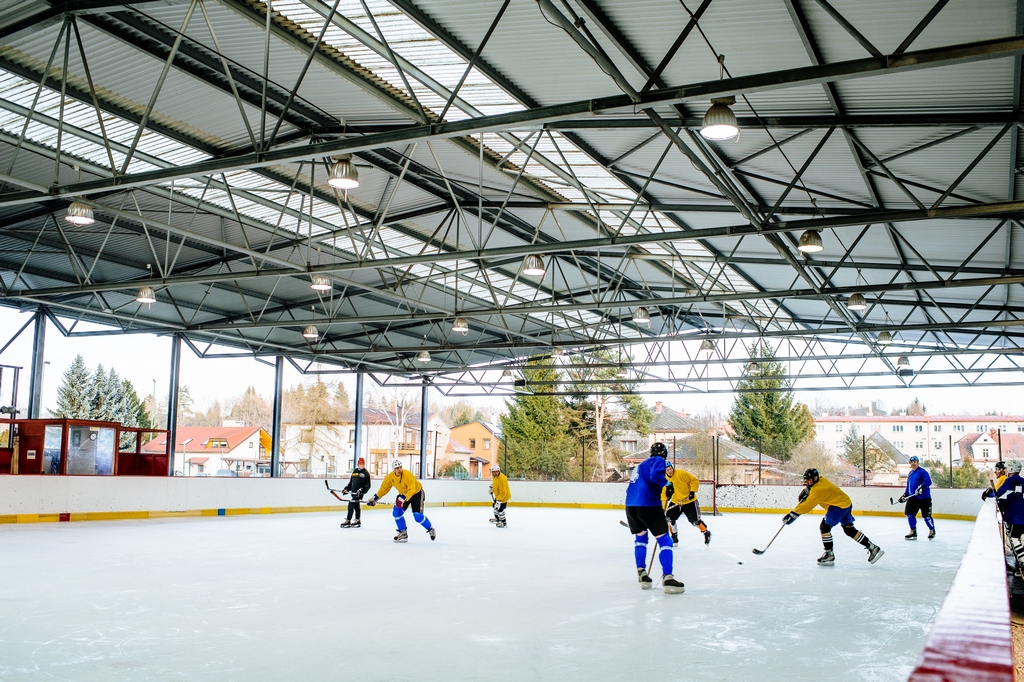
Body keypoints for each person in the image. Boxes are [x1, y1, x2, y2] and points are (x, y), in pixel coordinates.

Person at [783, 468, 884, 566]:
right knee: (849, 530)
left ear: (815, 479)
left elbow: (807, 505)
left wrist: (793, 514)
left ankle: (829, 555)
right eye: (807, 481)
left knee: (824, 528)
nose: (808, 482)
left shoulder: (818, 490)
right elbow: (811, 491)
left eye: (810, 480)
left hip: (838, 507)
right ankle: (873, 547)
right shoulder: (821, 479)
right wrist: (807, 490)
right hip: (845, 503)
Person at [624, 442, 684, 594]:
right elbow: (655, 475)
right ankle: (668, 577)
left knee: (641, 538)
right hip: (648, 504)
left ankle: (642, 573)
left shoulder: (640, 465)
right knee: (665, 540)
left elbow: (631, 486)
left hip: (631, 505)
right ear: (664, 454)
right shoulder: (659, 461)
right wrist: (667, 484)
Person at [367, 460, 436, 543]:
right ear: (393, 469)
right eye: (397, 468)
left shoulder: (407, 474)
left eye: (400, 467)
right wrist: (374, 498)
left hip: (416, 493)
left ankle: (430, 529)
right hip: (404, 494)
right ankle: (403, 533)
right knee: (397, 512)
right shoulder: (390, 477)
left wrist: (403, 498)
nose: (399, 469)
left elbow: (412, 489)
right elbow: (384, 489)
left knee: (418, 516)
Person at [661, 462, 711, 546]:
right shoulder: (664, 480)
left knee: (695, 522)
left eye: (670, 469)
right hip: (676, 501)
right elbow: (664, 496)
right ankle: (674, 536)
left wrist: (692, 491)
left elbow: (694, 480)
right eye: (667, 470)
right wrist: (663, 507)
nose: (669, 471)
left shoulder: (681, 474)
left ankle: (706, 532)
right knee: (669, 519)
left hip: (689, 501)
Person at [992, 460, 1024, 571]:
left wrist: (990, 493)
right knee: (1019, 541)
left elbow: (1000, 493)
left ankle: (1023, 563)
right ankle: (1020, 564)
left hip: (1016, 517)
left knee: (1013, 540)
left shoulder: (1010, 480)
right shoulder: (1022, 481)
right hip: (1020, 516)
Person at [901, 456, 935, 540]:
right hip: (913, 498)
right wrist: (905, 495)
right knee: (909, 514)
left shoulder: (922, 472)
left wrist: (922, 487)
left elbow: (928, 481)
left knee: (926, 516)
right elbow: (908, 486)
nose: (913, 463)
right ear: (910, 463)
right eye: (911, 462)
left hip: (924, 498)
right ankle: (913, 531)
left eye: (915, 461)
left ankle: (932, 530)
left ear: (918, 462)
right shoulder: (910, 473)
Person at [339, 457, 372, 528]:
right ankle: (357, 520)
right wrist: (347, 489)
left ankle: (348, 520)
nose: (362, 465)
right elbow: (351, 482)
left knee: (351, 504)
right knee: (356, 506)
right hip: (354, 492)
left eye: (363, 464)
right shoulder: (355, 471)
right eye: (360, 464)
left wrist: (362, 491)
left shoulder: (365, 473)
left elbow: (368, 485)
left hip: (359, 493)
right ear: (358, 464)